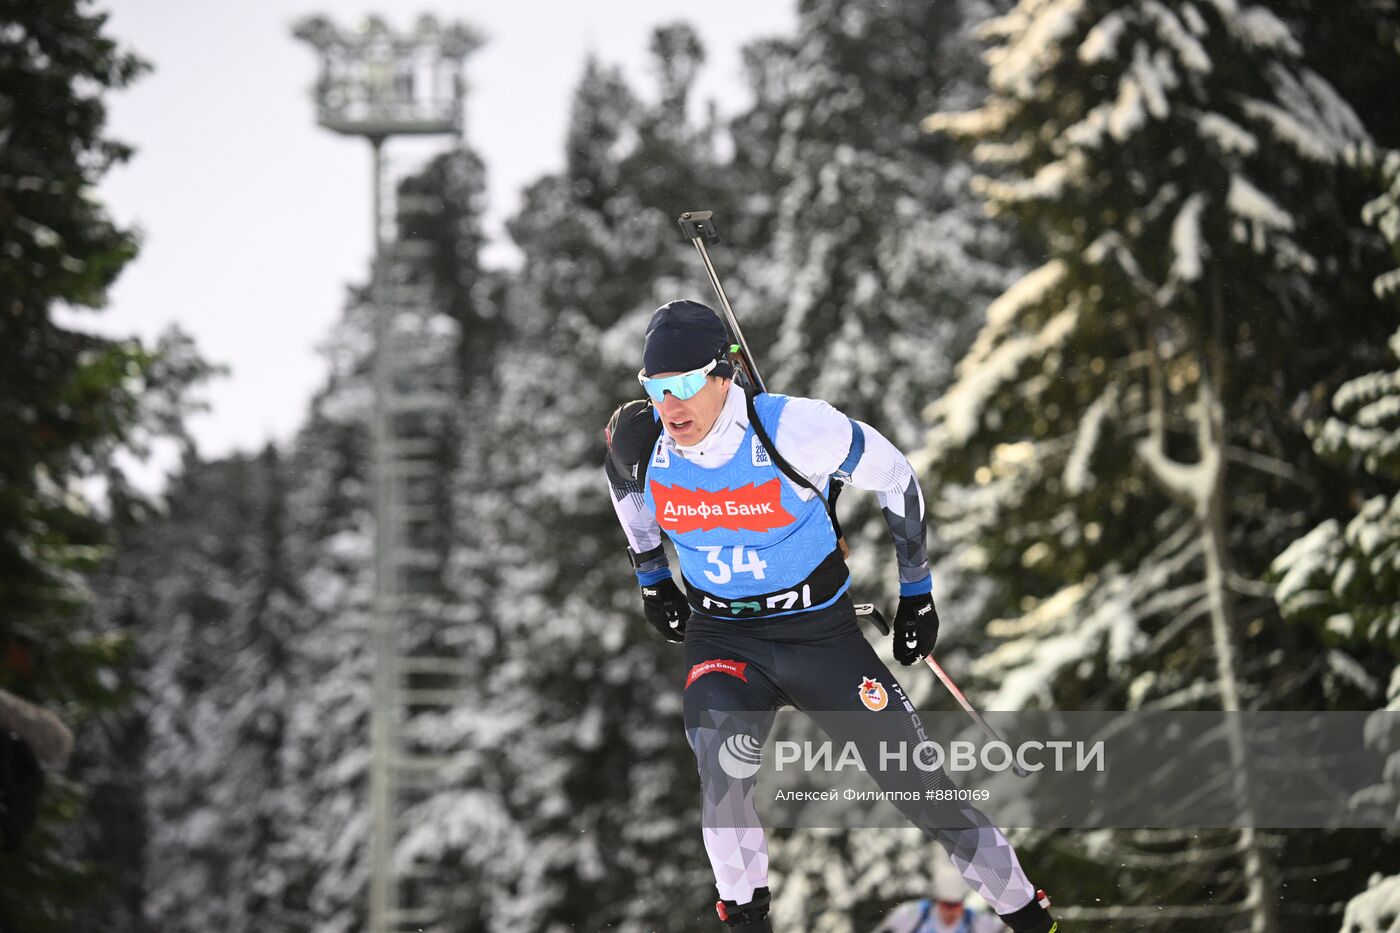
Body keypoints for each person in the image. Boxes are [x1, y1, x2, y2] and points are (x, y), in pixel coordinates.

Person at [604, 300, 1058, 933]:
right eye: (655, 388)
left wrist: (918, 591)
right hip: (724, 638)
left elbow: (896, 475)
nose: (668, 405)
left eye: (682, 386)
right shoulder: (642, 442)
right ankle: (748, 922)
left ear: (723, 373)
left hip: (820, 636)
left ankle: (1031, 918)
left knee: (922, 787)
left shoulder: (793, 429)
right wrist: (652, 578)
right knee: (721, 770)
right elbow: (627, 495)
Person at [872, 871, 1005, 933]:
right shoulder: (912, 914)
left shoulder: (975, 921)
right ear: (938, 901)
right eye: (948, 905)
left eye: (958, 905)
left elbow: (1006, 926)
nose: (953, 911)